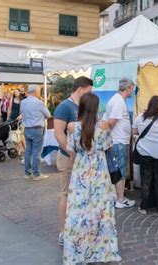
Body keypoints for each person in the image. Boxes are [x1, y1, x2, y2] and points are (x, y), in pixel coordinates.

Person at [63, 93, 121, 264]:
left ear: (81, 107)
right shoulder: (103, 126)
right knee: (101, 211)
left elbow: (71, 149)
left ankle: (78, 250)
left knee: (78, 210)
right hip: (100, 172)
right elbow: (108, 145)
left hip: (80, 171)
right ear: (96, 108)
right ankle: (101, 250)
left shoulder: (72, 127)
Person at [54, 76, 93, 246]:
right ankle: (63, 232)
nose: (89, 95)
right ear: (80, 89)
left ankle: (77, 229)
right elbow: (58, 133)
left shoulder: (82, 107)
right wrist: (71, 153)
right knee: (66, 194)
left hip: (83, 158)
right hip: (69, 158)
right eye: (88, 91)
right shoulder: (64, 107)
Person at [104, 78, 135, 209]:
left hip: (119, 140)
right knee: (120, 170)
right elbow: (111, 122)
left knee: (119, 169)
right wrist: (107, 136)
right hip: (119, 141)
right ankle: (120, 199)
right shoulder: (118, 101)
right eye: (132, 88)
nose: (132, 91)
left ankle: (119, 197)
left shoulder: (117, 100)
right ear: (128, 88)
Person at [20, 85, 51, 181]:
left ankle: (27, 173)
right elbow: (48, 115)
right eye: (38, 91)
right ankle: (36, 174)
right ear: (34, 92)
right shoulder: (39, 103)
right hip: (37, 129)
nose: (39, 93)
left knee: (28, 151)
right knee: (36, 152)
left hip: (27, 128)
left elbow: (22, 114)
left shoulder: (23, 102)